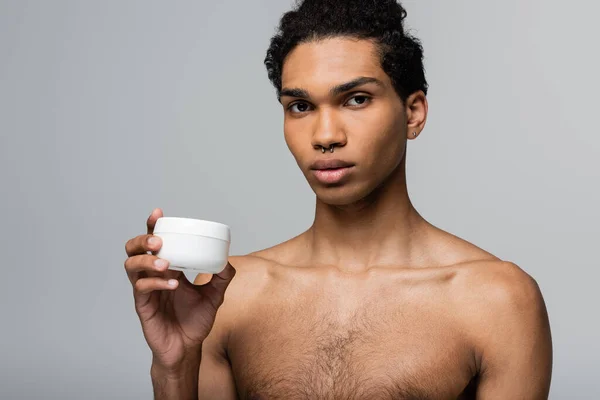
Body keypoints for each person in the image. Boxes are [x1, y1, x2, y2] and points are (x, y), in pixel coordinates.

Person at [124, 1, 553, 398]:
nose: (325, 136)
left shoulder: (498, 302)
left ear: (413, 113)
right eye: (300, 106)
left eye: (356, 99)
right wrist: (175, 368)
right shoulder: (230, 295)